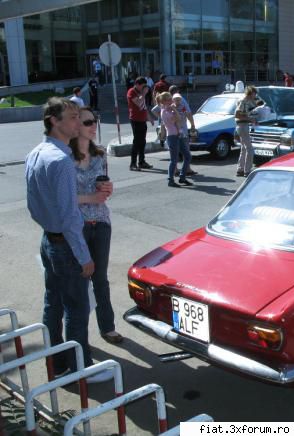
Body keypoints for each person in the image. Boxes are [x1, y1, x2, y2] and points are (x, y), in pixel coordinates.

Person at [25, 97, 112, 383]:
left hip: (49, 240)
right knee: (76, 308)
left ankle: (57, 364)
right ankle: (80, 369)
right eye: (72, 117)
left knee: (53, 304)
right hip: (64, 243)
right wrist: (84, 256)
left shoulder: (37, 152)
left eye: (79, 117)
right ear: (54, 120)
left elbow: (34, 206)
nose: (78, 122)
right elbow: (69, 216)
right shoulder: (61, 160)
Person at [69, 107, 122, 344]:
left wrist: (107, 189)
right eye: (88, 122)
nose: (93, 126)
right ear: (75, 125)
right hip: (76, 226)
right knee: (79, 281)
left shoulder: (100, 154)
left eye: (95, 121)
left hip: (100, 222)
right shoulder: (64, 158)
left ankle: (107, 327)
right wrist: (89, 197)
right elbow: (61, 198)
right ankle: (79, 336)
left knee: (100, 278)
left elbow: (104, 186)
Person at [160, 92, 193, 187]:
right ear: (164, 101)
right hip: (172, 136)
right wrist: (174, 109)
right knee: (174, 159)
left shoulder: (170, 110)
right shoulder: (165, 112)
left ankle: (182, 177)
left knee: (187, 156)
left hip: (179, 135)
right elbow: (177, 119)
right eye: (169, 100)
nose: (171, 101)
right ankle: (170, 179)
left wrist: (174, 109)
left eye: (171, 99)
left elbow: (179, 117)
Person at [127, 76, 154, 171]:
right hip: (135, 120)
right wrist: (143, 93)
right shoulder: (132, 91)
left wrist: (150, 118)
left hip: (142, 120)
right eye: (142, 86)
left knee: (142, 142)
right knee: (136, 142)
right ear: (137, 84)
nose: (143, 88)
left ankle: (141, 161)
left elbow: (144, 107)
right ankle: (132, 164)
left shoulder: (140, 92)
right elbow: (138, 103)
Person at [235, 86, 258, 177]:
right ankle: (247, 171)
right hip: (242, 126)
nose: (255, 95)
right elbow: (237, 115)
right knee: (250, 149)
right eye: (254, 93)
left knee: (244, 148)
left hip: (241, 126)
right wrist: (250, 119)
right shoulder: (243, 101)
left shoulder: (245, 101)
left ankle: (240, 169)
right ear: (251, 93)